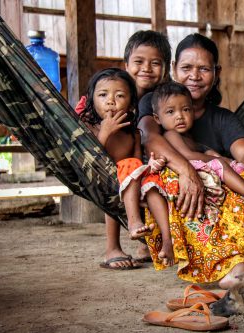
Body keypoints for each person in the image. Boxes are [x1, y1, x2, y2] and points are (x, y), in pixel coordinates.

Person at [138, 33, 244, 288]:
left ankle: (239, 267)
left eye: (204, 68)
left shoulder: (223, 118)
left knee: (241, 175)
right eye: (187, 67)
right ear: (174, 69)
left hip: (213, 192)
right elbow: (149, 138)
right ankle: (220, 267)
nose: (195, 75)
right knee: (182, 184)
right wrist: (187, 170)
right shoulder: (157, 101)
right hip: (174, 193)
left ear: (216, 72)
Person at [75, 30, 172, 269]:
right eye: (139, 62)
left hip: (134, 169)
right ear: (126, 64)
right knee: (124, 177)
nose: (146, 68)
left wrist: (152, 166)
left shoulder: (160, 101)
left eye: (155, 63)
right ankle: (114, 245)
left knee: (149, 179)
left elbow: (138, 153)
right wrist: (105, 130)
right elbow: (83, 150)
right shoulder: (90, 110)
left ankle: (158, 242)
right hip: (104, 173)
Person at [151, 81, 244, 209]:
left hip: (197, 170)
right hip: (186, 171)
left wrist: (209, 153)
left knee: (233, 167)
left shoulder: (187, 136)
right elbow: (188, 155)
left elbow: (199, 149)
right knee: (220, 164)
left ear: (193, 111)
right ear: (157, 119)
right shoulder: (171, 134)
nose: (180, 116)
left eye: (186, 109)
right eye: (170, 112)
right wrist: (218, 159)